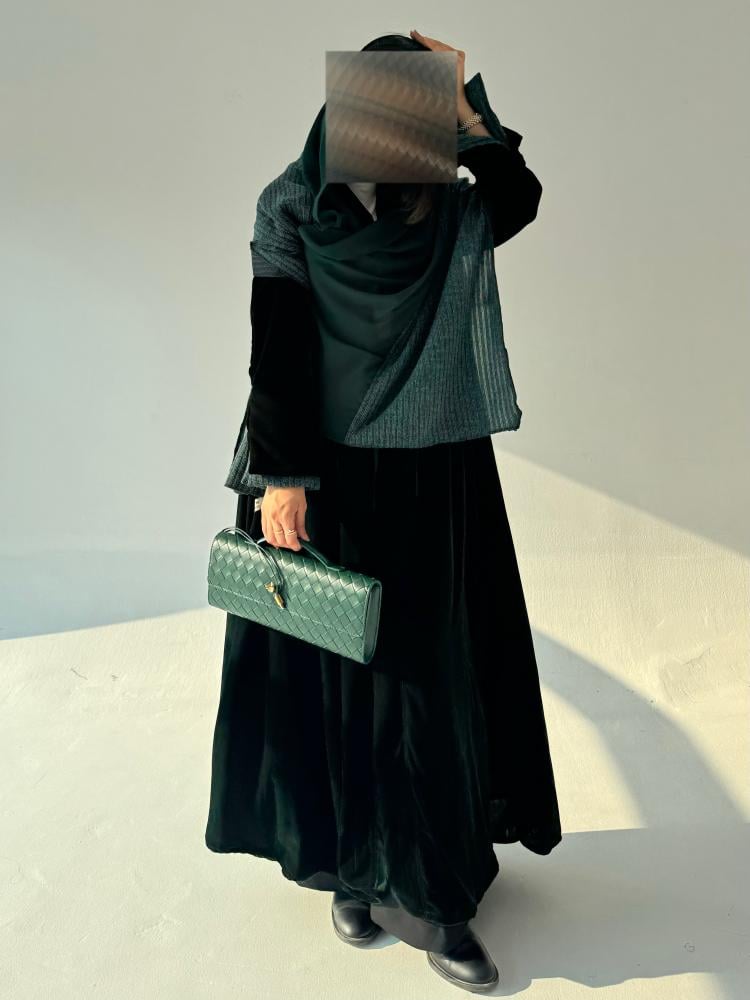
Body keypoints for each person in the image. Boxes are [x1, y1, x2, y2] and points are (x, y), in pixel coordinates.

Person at [205, 29, 562, 994]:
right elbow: (276, 345)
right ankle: (347, 869)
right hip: (320, 474)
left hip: (431, 474)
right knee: (334, 678)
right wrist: (282, 478)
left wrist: (466, 106)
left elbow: (520, 196)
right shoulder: (290, 203)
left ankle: (441, 904)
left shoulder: (446, 209)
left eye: (414, 118)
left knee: (425, 686)